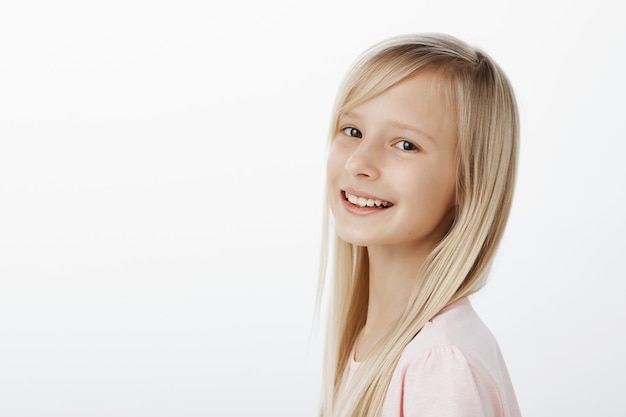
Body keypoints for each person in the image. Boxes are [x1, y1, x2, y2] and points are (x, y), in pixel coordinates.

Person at [317, 33, 522, 417]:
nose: (359, 163)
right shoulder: (377, 343)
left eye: (405, 144)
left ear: (470, 181)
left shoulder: (439, 366)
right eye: (353, 131)